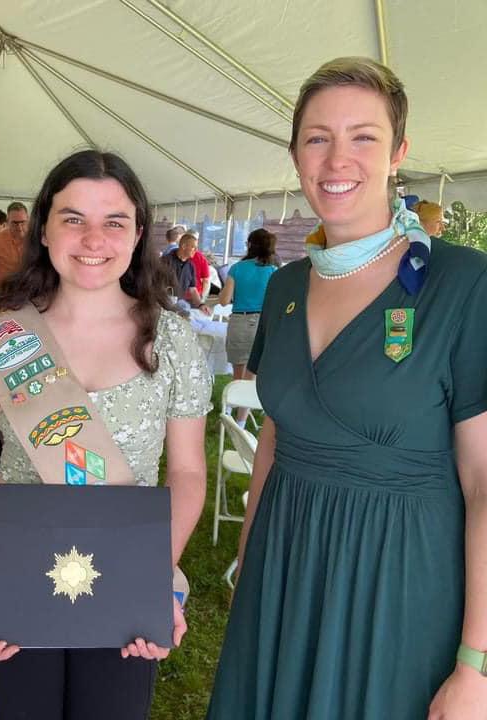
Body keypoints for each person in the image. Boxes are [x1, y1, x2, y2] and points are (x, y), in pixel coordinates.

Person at [207, 57, 487, 720]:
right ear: (296, 154)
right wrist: (249, 564)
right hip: (283, 569)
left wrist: (476, 663)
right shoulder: (285, 287)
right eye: (318, 137)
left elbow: (484, 481)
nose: (338, 159)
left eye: (364, 136)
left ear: (399, 153)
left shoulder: (463, 283)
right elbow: (275, 440)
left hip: (399, 589)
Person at [0, 150, 211, 719]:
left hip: (130, 577)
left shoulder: (173, 341)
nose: (93, 239)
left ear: (137, 233)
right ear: (43, 229)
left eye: (114, 221)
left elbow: (188, 471)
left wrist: (154, 574)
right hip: (14, 572)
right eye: (73, 218)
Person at [217, 228, 277, 423]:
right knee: (251, 377)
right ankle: (241, 422)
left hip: (239, 321)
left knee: (238, 375)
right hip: (263, 323)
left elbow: (224, 300)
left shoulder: (237, 268)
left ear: (250, 245)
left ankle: (227, 413)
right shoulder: (273, 271)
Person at [162, 233, 211, 314]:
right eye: (193, 247)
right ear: (184, 246)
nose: (196, 250)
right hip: (163, 306)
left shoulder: (191, 266)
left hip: (179, 305)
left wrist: (201, 305)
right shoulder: (165, 262)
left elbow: (193, 289)